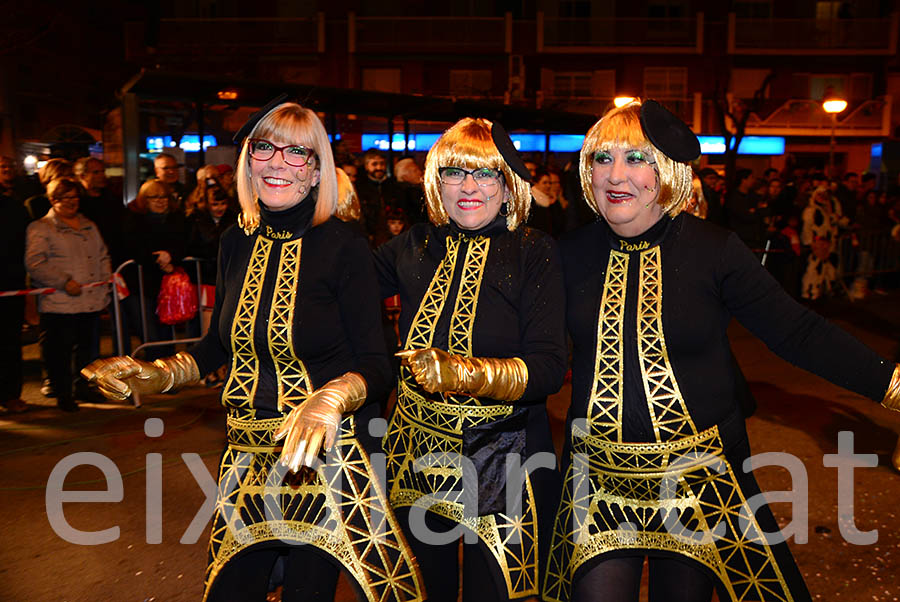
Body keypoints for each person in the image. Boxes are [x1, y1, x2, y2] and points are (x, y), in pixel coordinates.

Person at [542, 99, 900, 602]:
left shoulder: (714, 249)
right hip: (597, 476)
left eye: (637, 158)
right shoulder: (565, 254)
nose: (616, 174)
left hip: (700, 479)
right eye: (603, 159)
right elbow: (533, 350)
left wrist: (893, 386)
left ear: (666, 170)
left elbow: (797, 332)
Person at [83, 100, 422, 602]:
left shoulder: (342, 245)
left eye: (297, 152)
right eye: (265, 147)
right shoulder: (234, 242)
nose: (278, 162)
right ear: (248, 159)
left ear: (315, 170)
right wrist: (154, 373)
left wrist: (327, 400)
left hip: (327, 457)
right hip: (246, 452)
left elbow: (378, 362)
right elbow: (220, 342)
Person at [375, 117, 567, 602]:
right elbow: (335, 291)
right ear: (436, 180)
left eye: (485, 174)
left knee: (497, 592)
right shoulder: (413, 244)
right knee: (422, 589)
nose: (468, 187)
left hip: (504, 455)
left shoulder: (533, 250)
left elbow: (547, 367)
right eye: (454, 172)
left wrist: (465, 373)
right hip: (414, 448)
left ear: (507, 186)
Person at [26, 178, 110, 412]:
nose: (72, 203)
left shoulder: (88, 225)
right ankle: (64, 394)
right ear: (53, 200)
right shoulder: (41, 228)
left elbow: (102, 255)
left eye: (75, 197)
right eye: (66, 198)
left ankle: (84, 387)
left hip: (89, 302)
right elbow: (35, 263)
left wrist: (103, 283)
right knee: (59, 352)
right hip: (59, 304)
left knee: (87, 351)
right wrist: (63, 281)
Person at [122, 179, 186, 358]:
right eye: (154, 197)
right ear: (144, 199)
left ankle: (168, 378)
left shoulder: (177, 218)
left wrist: (171, 256)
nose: (160, 201)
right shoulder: (133, 219)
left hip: (167, 285)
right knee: (150, 334)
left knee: (167, 333)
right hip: (141, 284)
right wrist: (158, 259)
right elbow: (130, 247)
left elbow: (186, 243)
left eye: (164, 196)